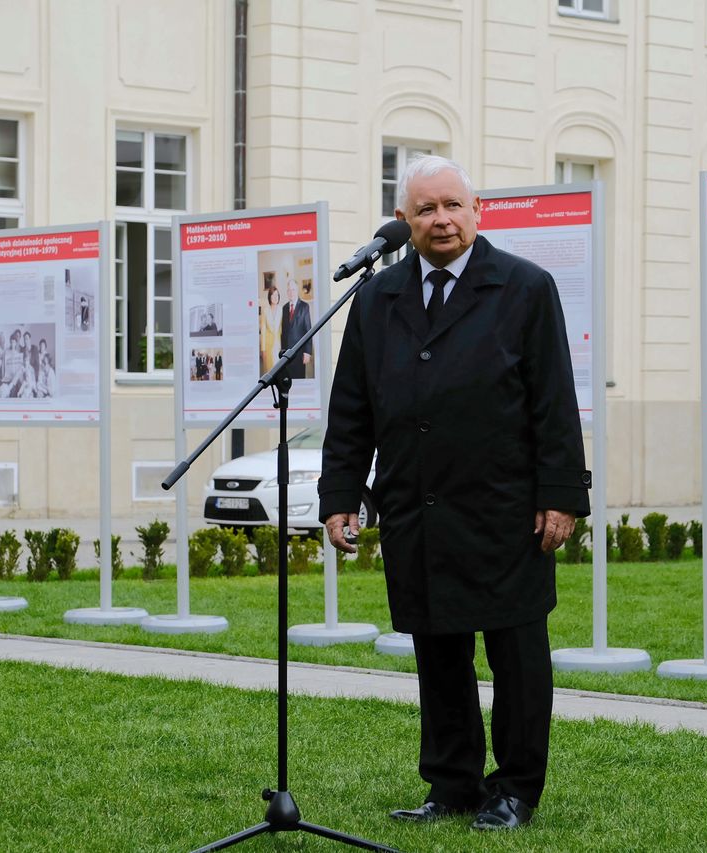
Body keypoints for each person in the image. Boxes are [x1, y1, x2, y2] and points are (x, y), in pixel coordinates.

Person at [320, 154, 590, 833]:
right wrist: (340, 491)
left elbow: (555, 401)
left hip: (506, 508)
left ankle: (516, 788)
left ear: (478, 210)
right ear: (403, 220)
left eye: (452, 206)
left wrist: (561, 496)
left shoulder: (525, 287)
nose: (440, 219)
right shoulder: (377, 298)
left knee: (516, 656)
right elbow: (351, 403)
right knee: (438, 652)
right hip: (418, 506)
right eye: (425, 209)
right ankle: (452, 783)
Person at [279, 275, 312, 380]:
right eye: (288, 290)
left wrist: (307, 352)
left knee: (299, 379)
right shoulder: (284, 308)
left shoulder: (304, 307)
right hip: (286, 354)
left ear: (297, 290)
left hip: (299, 352)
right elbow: (283, 331)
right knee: (288, 380)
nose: (291, 292)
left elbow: (308, 331)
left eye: (293, 289)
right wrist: (282, 351)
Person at [260, 287, 282, 372]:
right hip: (268, 346)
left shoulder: (282, 310)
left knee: (279, 369)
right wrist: (263, 349)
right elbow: (263, 331)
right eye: (273, 295)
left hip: (279, 344)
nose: (275, 297)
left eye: (277, 295)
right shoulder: (265, 311)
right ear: (269, 297)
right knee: (269, 370)